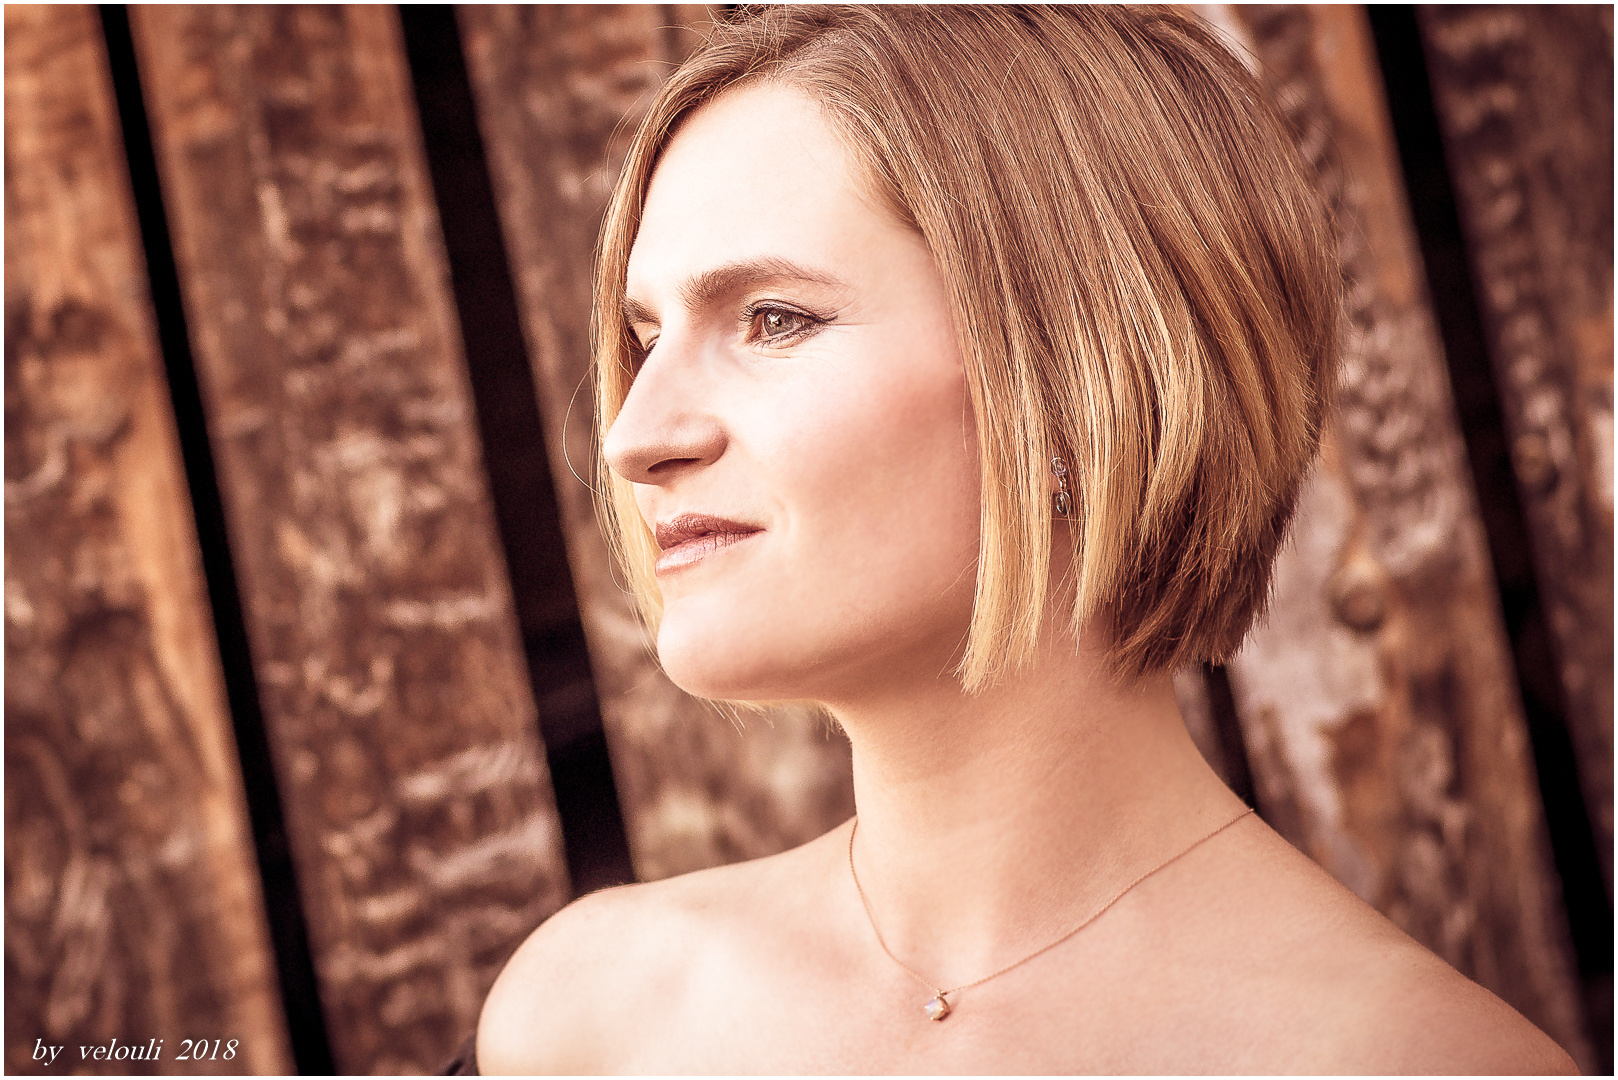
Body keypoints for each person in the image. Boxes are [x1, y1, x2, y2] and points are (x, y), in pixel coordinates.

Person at [476, 7, 1576, 1073]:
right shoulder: (584, 1021)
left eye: (773, 319)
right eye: (645, 336)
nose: (632, 438)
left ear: (1081, 382)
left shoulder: (1421, 1064)